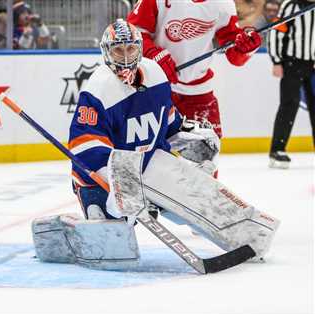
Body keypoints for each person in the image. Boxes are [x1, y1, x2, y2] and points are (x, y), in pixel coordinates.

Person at [60, 19, 277, 265]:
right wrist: (118, 182)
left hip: (151, 163)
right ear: (105, 52)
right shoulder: (98, 90)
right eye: (117, 50)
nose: (124, 56)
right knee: (111, 248)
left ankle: (252, 235)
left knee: (202, 192)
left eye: (130, 48)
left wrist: (189, 139)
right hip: (102, 181)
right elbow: (86, 150)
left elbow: (168, 124)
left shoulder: (154, 74)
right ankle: (69, 229)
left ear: (139, 48)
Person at [127, 0, 262, 142]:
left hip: (199, 94)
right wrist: (153, 54)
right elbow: (134, 33)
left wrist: (245, 49)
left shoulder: (223, 3)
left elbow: (233, 53)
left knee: (206, 158)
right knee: (150, 154)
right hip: (157, 88)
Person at [267, 0, 315, 168]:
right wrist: (276, 61)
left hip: (313, 65)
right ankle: (277, 149)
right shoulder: (290, 5)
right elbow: (276, 32)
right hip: (291, 63)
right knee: (289, 104)